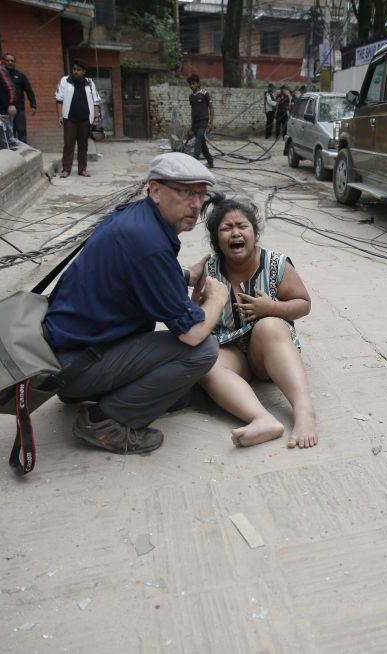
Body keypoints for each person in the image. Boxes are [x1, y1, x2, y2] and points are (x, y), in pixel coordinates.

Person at [42, 153, 229, 454]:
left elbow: (132, 273)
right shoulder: (148, 243)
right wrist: (218, 299)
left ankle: (94, 391)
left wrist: (183, 275)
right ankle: (103, 422)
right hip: (73, 365)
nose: (196, 205)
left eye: (200, 194)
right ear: (155, 190)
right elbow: (192, 334)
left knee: (177, 391)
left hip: (65, 352)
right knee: (202, 350)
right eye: (184, 192)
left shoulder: (135, 218)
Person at [193, 197, 317, 449]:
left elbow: (303, 304)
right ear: (217, 240)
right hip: (232, 351)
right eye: (226, 228)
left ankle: (304, 412)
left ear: (254, 232)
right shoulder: (210, 270)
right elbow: (195, 317)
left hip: (269, 350)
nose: (235, 232)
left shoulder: (276, 264)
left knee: (269, 325)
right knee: (204, 361)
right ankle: (262, 420)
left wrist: (272, 308)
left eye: (242, 226)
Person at [55, 58, 100, 178]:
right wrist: (59, 115)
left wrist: (96, 117)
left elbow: (96, 101)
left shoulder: (89, 83)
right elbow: (59, 99)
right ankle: (66, 169)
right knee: (68, 145)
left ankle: (82, 169)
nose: (75, 71)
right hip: (70, 119)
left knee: (83, 145)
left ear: (84, 71)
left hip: (85, 119)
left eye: (78, 70)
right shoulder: (65, 81)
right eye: (74, 69)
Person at [3, 53, 36, 143]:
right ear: (4, 62)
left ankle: (23, 152)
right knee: (8, 132)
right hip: (5, 110)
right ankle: (11, 153)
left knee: (22, 132)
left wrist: (33, 105)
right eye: (8, 60)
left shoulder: (20, 76)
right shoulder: (0, 76)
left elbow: (29, 90)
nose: (10, 62)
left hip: (19, 108)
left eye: (12, 61)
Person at [186, 73, 214, 168]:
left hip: (203, 121)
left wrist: (211, 123)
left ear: (198, 83)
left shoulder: (205, 94)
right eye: (190, 84)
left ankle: (193, 164)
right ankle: (210, 161)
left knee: (198, 141)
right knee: (202, 144)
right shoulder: (191, 97)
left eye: (193, 83)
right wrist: (192, 125)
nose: (191, 86)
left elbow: (211, 108)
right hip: (195, 123)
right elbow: (193, 111)